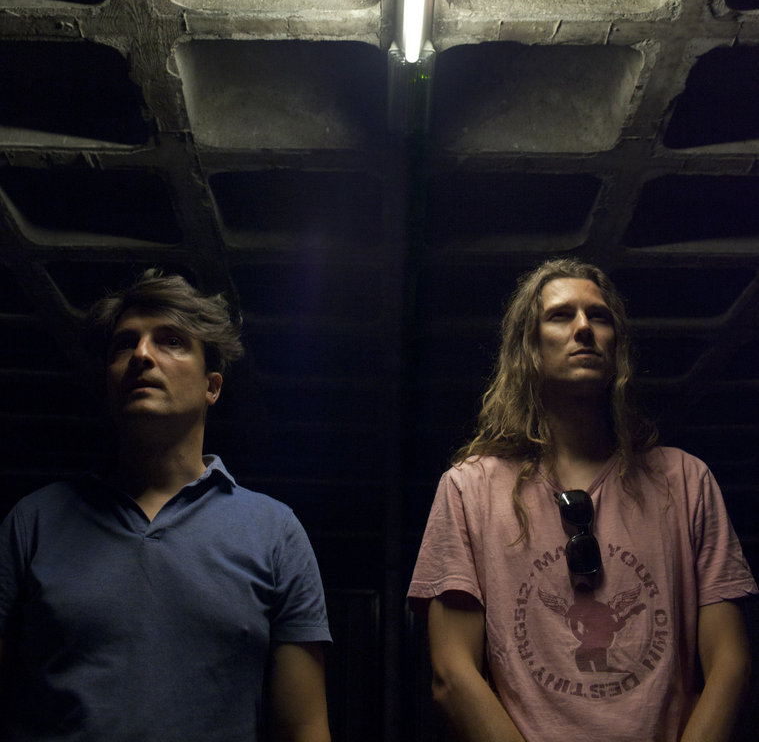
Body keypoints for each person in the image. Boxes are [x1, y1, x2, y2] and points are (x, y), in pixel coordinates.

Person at [408, 258, 756, 742]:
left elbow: (730, 662)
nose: (584, 328)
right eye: (560, 315)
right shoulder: (470, 488)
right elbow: (452, 674)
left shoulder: (685, 480)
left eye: (599, 316)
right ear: (529, 346)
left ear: (617, 345)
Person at [0, 269, 331, 742]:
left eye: (171, 341)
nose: (141, 354)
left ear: (212, 386)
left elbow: (304, 727)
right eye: (125, 344)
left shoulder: (275, 531)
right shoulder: (32, 522)